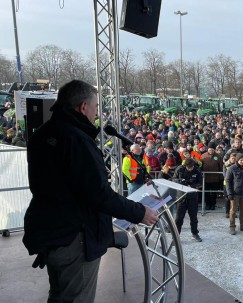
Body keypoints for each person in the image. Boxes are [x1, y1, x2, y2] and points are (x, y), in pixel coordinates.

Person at [23, 80, 158, 302]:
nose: (97, 114)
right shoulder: (76, 139)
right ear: (83, 107)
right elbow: (98, 193)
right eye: (96, 107)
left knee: (60, 295)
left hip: (51, 232)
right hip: (74, 238)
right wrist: (139, 212)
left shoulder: (44, 133)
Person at [172, 158, 203, 242]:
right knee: (179, 218)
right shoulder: (180, 169)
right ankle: (176, 237)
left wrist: (192, 186)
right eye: (188, 167)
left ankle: (195, 233)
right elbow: (173, 179)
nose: (189, 168)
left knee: (193, 217)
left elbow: (200, 183)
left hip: (192, 196)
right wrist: (180, 181)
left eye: (191, 167)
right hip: (181, 197)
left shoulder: (197, 170)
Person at [225, 153, 243, 235]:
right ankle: (232, 227)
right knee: (233, 211)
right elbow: (228, 181)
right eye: (240, 160)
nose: (242, 161)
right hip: (235, 193)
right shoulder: (231, 168)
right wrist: (229, 193)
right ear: (237, 160)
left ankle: (242, 226)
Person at [200, 141, 223, 210]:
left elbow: (221, 167)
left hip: (215, 178)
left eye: (212, 150)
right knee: (206, 193)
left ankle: (213, 204)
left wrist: (221, 178)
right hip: (206, 178)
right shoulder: (203, 156)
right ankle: (207, 204)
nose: (211, 151)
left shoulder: (218, 156)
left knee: (213, 193)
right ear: (208, 149)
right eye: (210, 150)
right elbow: (200, 166)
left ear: (214, 150)